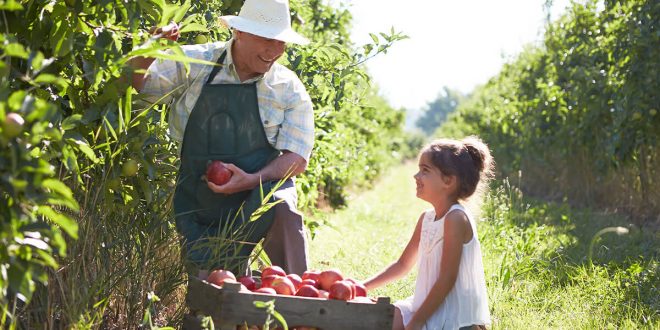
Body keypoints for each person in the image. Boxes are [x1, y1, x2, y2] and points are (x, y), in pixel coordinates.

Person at [127, 0, 314, 276]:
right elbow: (135, 88)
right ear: (239, 32)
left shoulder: (288, 89)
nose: (275, 51)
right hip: (200, 193)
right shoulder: (196, 63)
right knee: (211, 293)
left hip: (258, 192)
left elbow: (296, 160)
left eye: (281, 42)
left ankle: (298, 302)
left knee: (283, 207)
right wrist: (149, 49)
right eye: (267, 39)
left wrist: (250, 180)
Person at [363, 137, 493, 330]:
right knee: (369, 319)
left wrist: (416, 323)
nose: (416, 176)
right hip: (424, 306)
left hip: (454, 316)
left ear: (448, 181)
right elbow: (402, 265)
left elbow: (447, 279)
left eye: (425, 170)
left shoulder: (456, 218)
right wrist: (360, 287)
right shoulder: (427, 218)